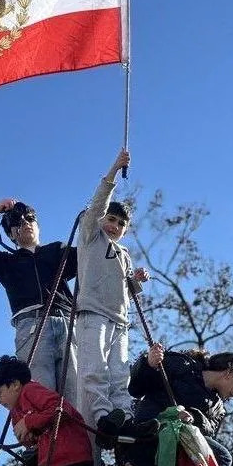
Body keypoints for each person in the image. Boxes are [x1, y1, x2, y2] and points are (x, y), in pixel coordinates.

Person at [0, 198, 77, 402]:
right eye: (17, 222)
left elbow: (92, 257)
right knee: (42, 392)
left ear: (37, 225)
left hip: (68, 321)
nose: (26, 223)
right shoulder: (6, 263)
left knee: (76, 390)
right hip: (31, 326)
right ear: (10, 234)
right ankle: (47, 433)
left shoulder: (58, 251)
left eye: (30, 218)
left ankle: (79, 432)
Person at [76, 148, 150, 446]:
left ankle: (123, 418)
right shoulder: (91, 236)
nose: (114, 226)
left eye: (121, 224)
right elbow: (97, 205)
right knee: (94, 370)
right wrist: (114, 171)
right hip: (93, 312)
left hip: (120, 319)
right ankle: (103, 416)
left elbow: (126, 291)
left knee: (120, 375)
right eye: (111, 219)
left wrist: (136, 282)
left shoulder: (124, 253)